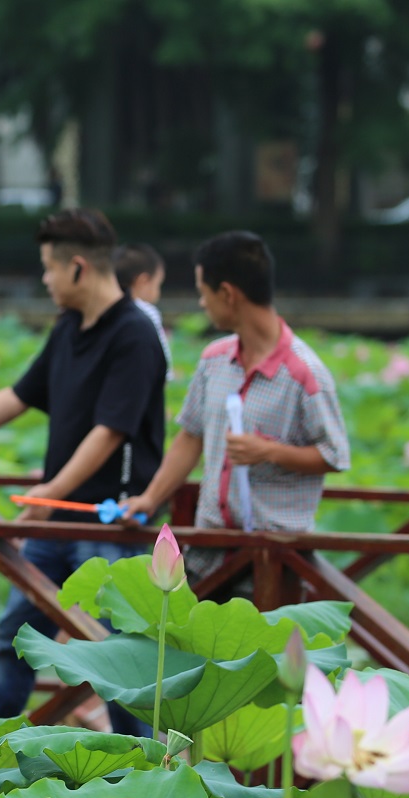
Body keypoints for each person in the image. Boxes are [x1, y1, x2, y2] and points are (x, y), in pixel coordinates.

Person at [0, 209, 167, 729]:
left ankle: (141, 773)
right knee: (16, 639)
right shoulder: (69, 327)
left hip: (110, 525)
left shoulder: (134, 334)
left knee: (119, 662)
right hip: (55, 523)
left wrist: (48, 494)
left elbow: (110, 431)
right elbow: (19, 395)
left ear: (78, 268)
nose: (45, 279)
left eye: (48, 268)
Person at [116, 231, 350, 587]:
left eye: (202, 292)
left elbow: (334, 455)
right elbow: (189, 438)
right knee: (171, 638)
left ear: (227, 294)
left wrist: (269, 451)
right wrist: (149, 499)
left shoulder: (305, 373)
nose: (201, 303)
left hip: (274, 559)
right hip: (208, 551)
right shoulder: (214, 359)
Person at [116, 243, 170, 377]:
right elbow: (163, 361)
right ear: (143, 281)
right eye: (158, 284)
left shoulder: (107, 310)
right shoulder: (147, 312)